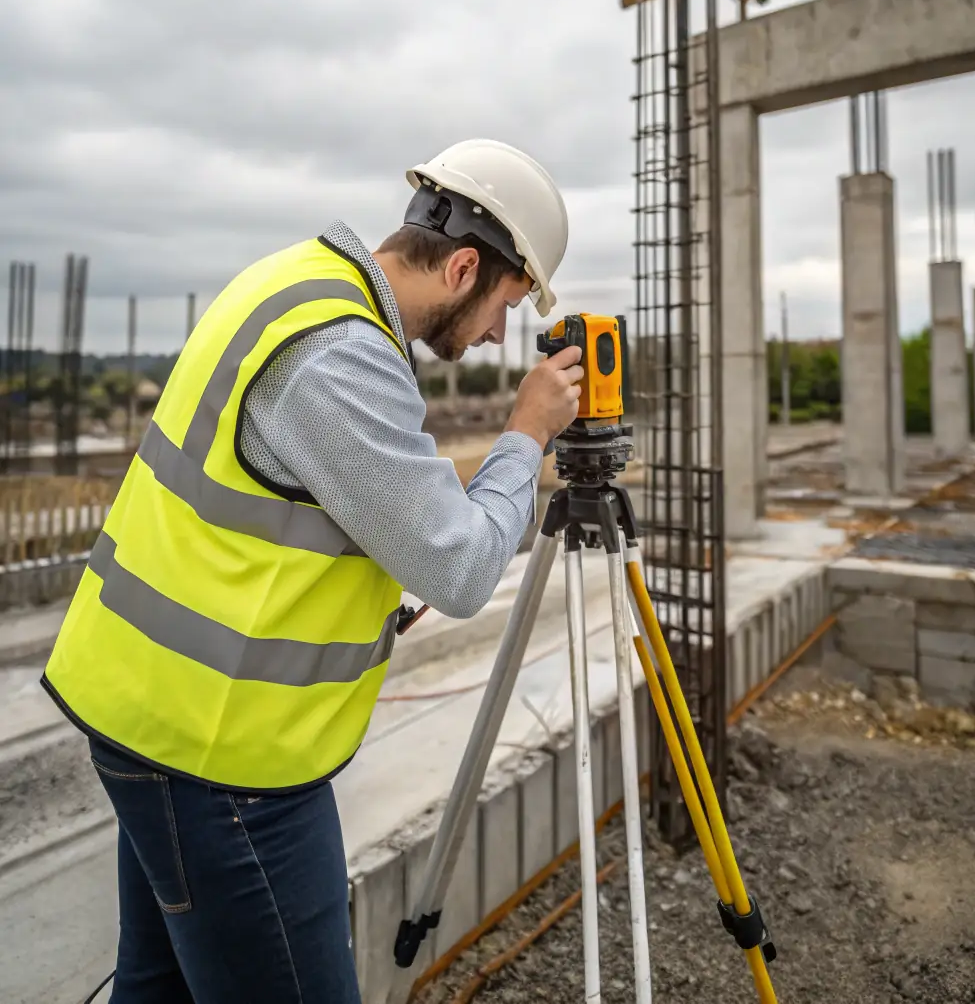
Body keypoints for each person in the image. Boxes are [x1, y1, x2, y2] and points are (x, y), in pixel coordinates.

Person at [43, 139, 583, 1004]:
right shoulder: (342, 355)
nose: (496, 332)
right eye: (504, 304)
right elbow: (461, 564)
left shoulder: (291, 281)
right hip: (227, 761)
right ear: (466, 268)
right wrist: (527, 433)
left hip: (156, 717)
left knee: (158, 988)